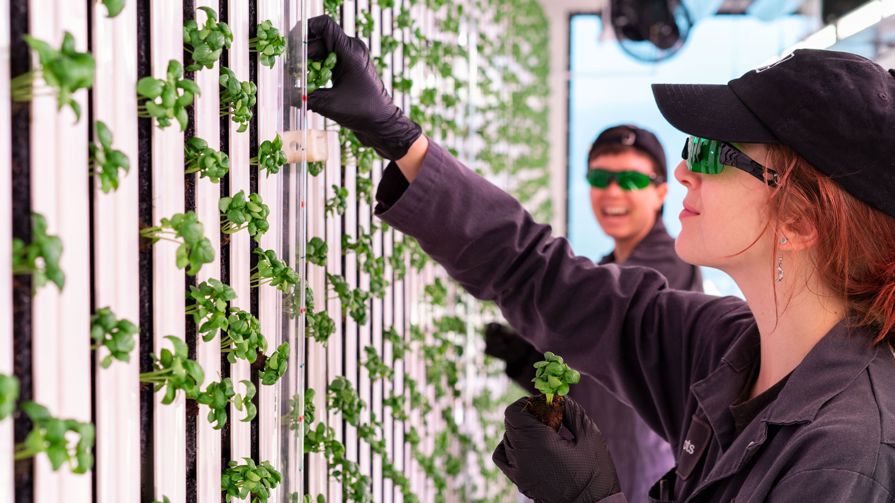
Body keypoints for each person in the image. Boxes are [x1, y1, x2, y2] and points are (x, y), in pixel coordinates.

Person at [305, 15, 895, 502]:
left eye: (714, 154)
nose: (685, 169)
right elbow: (541, 276)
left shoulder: (845, 458)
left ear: (799, 220)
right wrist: (396, 134)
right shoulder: (728, 349)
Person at [484, 124, 702, 502]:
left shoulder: (670, 266)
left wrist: (500, 262)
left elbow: (602, 321)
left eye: (631, 179)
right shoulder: (609, 266)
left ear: (661, 193)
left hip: (633, 476)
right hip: (592, 475)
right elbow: (594, 375)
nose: (613, 191)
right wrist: (525, 361)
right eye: (601, 177)